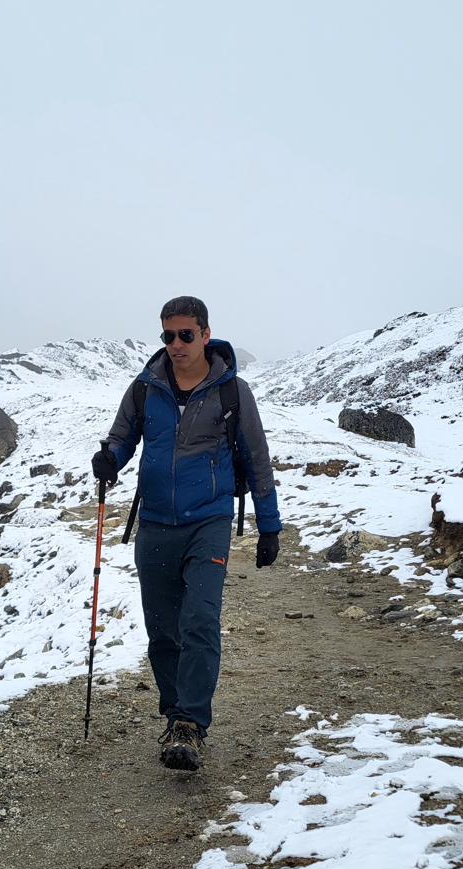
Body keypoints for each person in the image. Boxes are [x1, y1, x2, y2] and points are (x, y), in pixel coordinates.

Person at [92, 295, 281, 772]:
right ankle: (175, 712)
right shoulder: (145, 388)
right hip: (154, 523)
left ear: (205, 334)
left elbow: (258, 460)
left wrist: (269, 526)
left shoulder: (232, 393)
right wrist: (109, 459)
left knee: (199, 620)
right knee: (162, 632)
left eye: (185, 335)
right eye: (167, 336)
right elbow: (122, 437)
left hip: (209, 522)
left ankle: (191, 724)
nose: (176, 345)